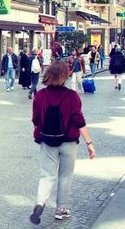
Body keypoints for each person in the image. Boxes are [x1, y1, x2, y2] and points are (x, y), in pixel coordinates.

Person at [29, 62, 96, 225]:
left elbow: (36, 120)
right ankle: (61, 210)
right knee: (65, 175)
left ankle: (40, 203)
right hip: (69, 141)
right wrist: (89, 143)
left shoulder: (41, 95)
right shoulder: (72, 96)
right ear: (65, 76)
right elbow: (79, 121)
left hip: (47, 140)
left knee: (47, 175)